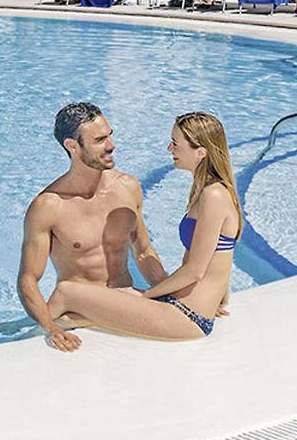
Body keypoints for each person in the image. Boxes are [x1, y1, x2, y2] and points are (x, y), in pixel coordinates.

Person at [41, 111, 242, 347]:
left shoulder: (213, 195)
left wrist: (146, 295)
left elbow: (195, 271)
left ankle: (17, 339)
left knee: (66, 292)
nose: (170, 148)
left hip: (186, 316)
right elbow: (220, 254)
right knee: (77, 313)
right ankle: (39, 328)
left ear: (201, 152)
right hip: (181, 306)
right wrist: (220, 296)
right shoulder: (206, 189)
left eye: (176, 143)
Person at [17, 103, 167, 351]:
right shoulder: (48, 207)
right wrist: (50, 328)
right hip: (78, 311)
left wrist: (171, 292)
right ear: (72, 146)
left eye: (109, 135)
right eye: (99, 140)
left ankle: (10, 327)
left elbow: (143, 251)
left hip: (124, 298)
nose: (111, 145)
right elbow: (28, 279)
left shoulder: (127, 187)